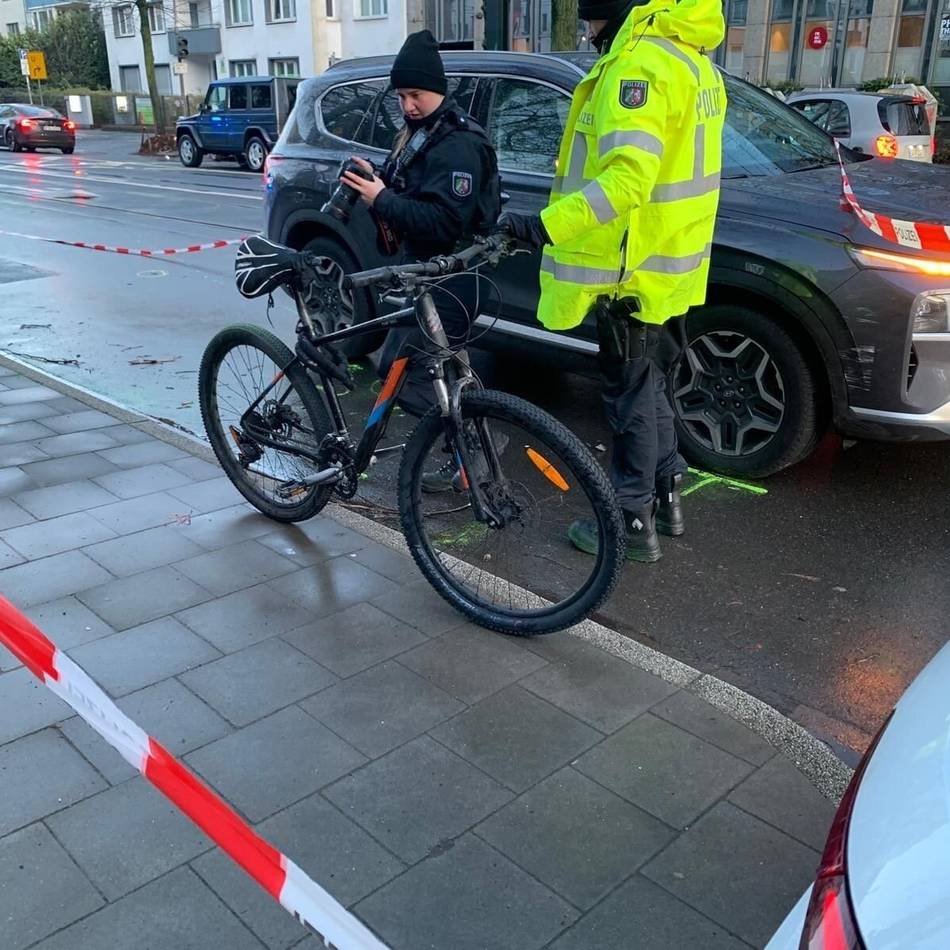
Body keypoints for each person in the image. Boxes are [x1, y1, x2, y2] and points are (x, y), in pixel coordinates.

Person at [496, 0, 726, 562]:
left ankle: (629, 520)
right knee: (653, 388)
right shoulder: (694, 62)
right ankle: (667, 498)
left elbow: (627, 180)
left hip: (635, 268)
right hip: (674, 263)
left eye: (593, 18)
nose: (590, 30)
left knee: (630, 399)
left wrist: (545, 224)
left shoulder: (637, 67)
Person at [339, 29, 502, 493]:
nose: (408, 104)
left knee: (405, 370)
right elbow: (412, 185)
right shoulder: (424, 133)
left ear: (439, 90)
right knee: (446, 369)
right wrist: (378, 177)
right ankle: (472, 452)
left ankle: (468, 447)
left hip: (451, 274)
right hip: (429, 274)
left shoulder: (458, 145)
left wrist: (381, 199)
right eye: (401, 96)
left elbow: (443, 224)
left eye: (416, 94)